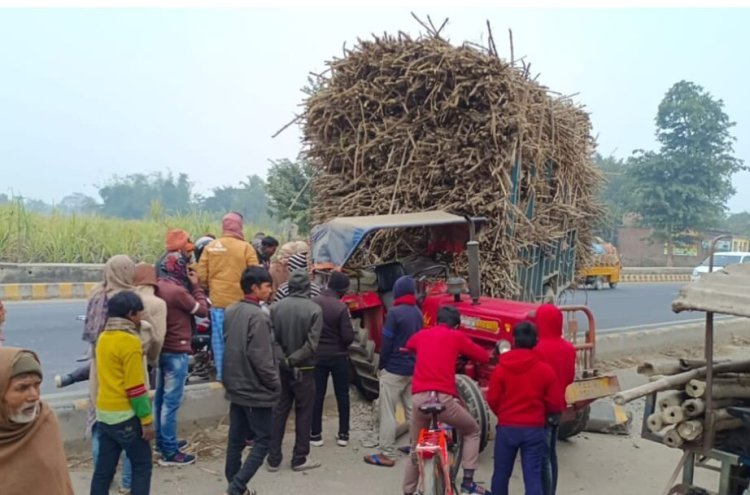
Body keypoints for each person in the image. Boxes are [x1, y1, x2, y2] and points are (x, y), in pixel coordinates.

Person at [402, 306, 491, 495]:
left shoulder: (422, 335)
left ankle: (408, 491)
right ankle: (468, 481)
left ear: (436, 321)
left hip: (419, 400)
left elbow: (408, 345)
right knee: (472, 430)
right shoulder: (456, 336)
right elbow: (482, 356)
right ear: (456, 326)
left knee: (415, 446)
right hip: (444, 401)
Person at [487, 321, 566, 495]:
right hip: (534, 429)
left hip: (507, 428)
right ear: (536, 342)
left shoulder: (501, 369)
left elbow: (492, 398)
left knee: (501, 473)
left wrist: (503, 414)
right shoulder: (545, 370)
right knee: (532, 476)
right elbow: (556, 403)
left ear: (514, 341)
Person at [91, 291, 155, 495]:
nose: (141, 318)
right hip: (126, 416)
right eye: (139, 314)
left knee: (103, 470)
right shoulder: (129, 342)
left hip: (104, 414)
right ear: (130, 314)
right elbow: (135, 388)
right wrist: (146, 420)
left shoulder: (103, 337)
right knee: (142, 464)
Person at [222, 267, 280, 495]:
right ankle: (236, 487)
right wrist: (275, 383)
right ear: (255, 288)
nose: (271, 290)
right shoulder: (258, 316)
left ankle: (237, 485)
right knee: (263, 440)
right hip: (254, 388)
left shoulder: (231, 310)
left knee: (235, 440)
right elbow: (261, 357)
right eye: (267, 286)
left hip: (235, 384)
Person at [266, 269, 323, 472]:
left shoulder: (275, 308)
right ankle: (299, 458)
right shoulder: (315, 309)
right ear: (308, 287)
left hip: (281, 369)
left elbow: (272, 340)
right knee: (304, 413)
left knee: (279, 412)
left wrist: (284, 360)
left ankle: (273, 458)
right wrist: (294, 360)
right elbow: (311, 344)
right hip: (305, 369)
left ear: (288, 287)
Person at [155, 253, 208, 466]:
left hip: (161, 349)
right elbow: (202, 310)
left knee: (160, 400)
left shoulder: (158, 286)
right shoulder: (177, 291)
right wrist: (196, 286)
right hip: (177, 350)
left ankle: (162, 441)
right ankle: (170, 452)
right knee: (171, 403)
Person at [365, 275, 423, 467]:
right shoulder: (417, 312)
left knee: (388, 411)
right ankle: (417, 449)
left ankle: (387, 453)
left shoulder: (395, 313)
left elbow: (387, 342)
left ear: (397, 291)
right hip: (412, 369)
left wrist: (382, 365)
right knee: (412, 410)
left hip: (394, 369)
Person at [0, 347, 75, 494]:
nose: (34, 396)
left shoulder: (44, 421)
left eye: (37, 385)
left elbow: (58, 483)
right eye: (23, 388)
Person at [197, 212, 260, 381]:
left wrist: (209, 288)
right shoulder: (246, 248)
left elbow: (201, 275)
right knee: (241, 340)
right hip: (241, 304)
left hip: (218, 303)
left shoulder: (211, 247)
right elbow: (255, 274)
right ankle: (241, 375)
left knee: (219, 341)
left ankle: (222, 375)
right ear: (239, 226)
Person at [532, 304, 576, 495]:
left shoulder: (537, 349)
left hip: (541, 408)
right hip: (558, 407)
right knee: (551, 454)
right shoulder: (569, 349)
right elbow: (571, 378)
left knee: (542, 459)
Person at [310, 271, 355, 447]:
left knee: (317, 395)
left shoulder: (313, 303)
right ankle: (343, 434)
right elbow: (348, 337)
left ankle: (315, 435)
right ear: (342, 289)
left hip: (317, 357)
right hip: (338, 357)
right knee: (342, 395)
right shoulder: (340, 307)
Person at [133, 263, 168, 369]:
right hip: (144, 356)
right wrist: (153, 359)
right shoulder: (158, 303)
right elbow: (158, 338)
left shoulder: (126, 298)